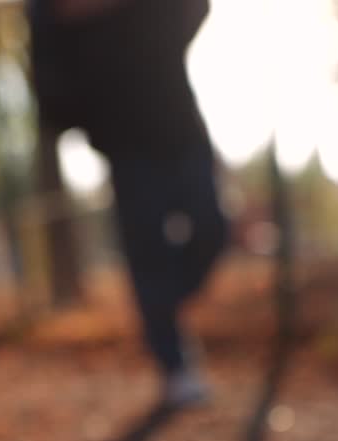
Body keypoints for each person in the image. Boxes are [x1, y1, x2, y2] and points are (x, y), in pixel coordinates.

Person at [28, 0, 227, 408]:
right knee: (148, 254)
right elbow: (47, 68)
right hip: (126, 145)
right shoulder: (50, 12)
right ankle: (174, 364)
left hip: (180, 124)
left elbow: (195, 10)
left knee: (212, 227)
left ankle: (165, 303)